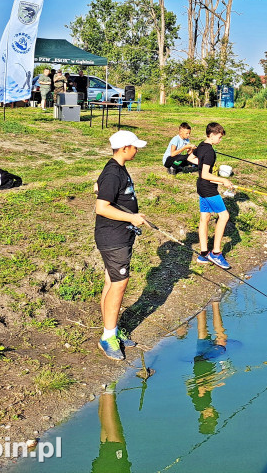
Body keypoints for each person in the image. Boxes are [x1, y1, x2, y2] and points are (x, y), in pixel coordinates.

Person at [94, 129, 148, 361]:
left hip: (118, 237)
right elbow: (101, 207)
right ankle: (107, 338)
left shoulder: (115, 169)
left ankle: (112, 330)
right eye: (135, 147)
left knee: (111, 280)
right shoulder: (114, 173)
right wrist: (132, 218)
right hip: (113, 238)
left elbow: (101, 189)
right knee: (119, 283)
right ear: (124, 148)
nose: (137, 150)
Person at [187, 301, 230, 436]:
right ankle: (202, 305)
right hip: (199, 362)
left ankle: (215, 304)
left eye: (212, 416)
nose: (213, 412)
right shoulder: (198, 405)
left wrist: (219, 379)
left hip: (205, 361)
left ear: (206, 417)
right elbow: (190, 387)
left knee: (221, 338)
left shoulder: (201, 404)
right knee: (202, 331)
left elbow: (201, 386)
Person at [195, 122, 234, 269]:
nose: (220, 140)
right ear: (211, 135)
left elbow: (191, 159)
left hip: (201, 187)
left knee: (205, 217)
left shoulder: (201, 146)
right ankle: (216, 253)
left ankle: (204, 254)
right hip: (208, 189)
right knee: (224, 216)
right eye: (219, 137)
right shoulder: (210, 151)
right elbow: (205, 174)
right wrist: (223, 180)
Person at [93, 381, 132, 473]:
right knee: (106, 440)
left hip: (114, 467)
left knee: (115, 439)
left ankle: (108, 389)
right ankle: (104, 390)